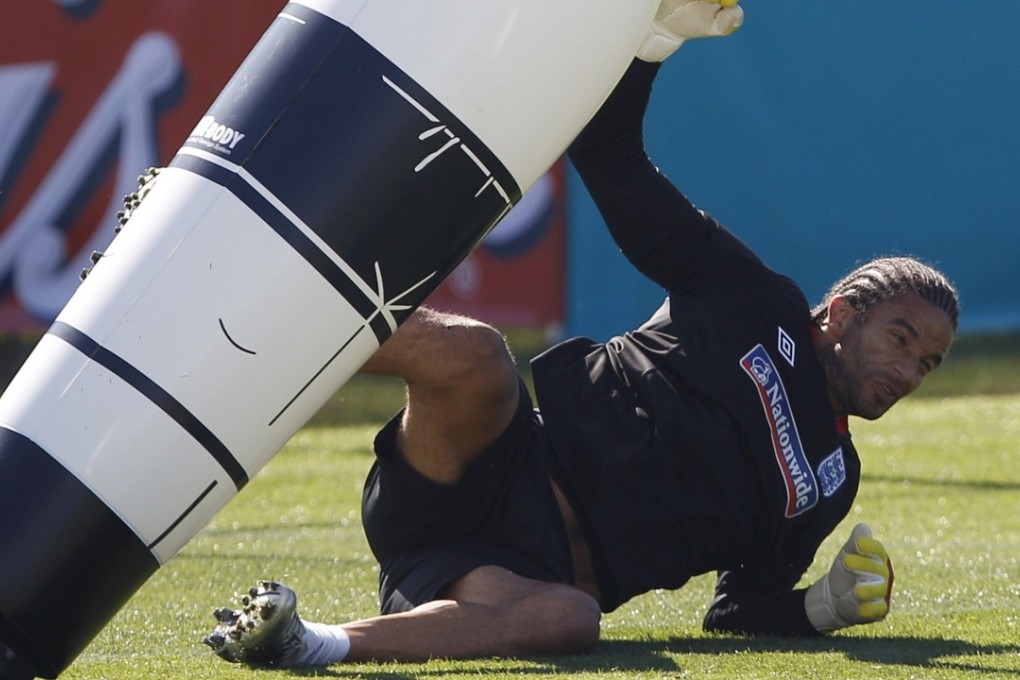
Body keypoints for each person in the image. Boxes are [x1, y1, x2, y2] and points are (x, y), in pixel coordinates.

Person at [203, 0, 959, 668]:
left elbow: (737, 613)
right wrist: (650, 42)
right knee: (476, 355)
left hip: (517, 571)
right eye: (901, 337)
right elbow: (611, 158)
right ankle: (228, 298)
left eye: (927, 362)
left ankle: (311, 643)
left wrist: (823, 606)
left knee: (572, 620)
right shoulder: (752, 300)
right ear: (840, 312)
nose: (909, 370)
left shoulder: (831, 479)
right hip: (487, 462)